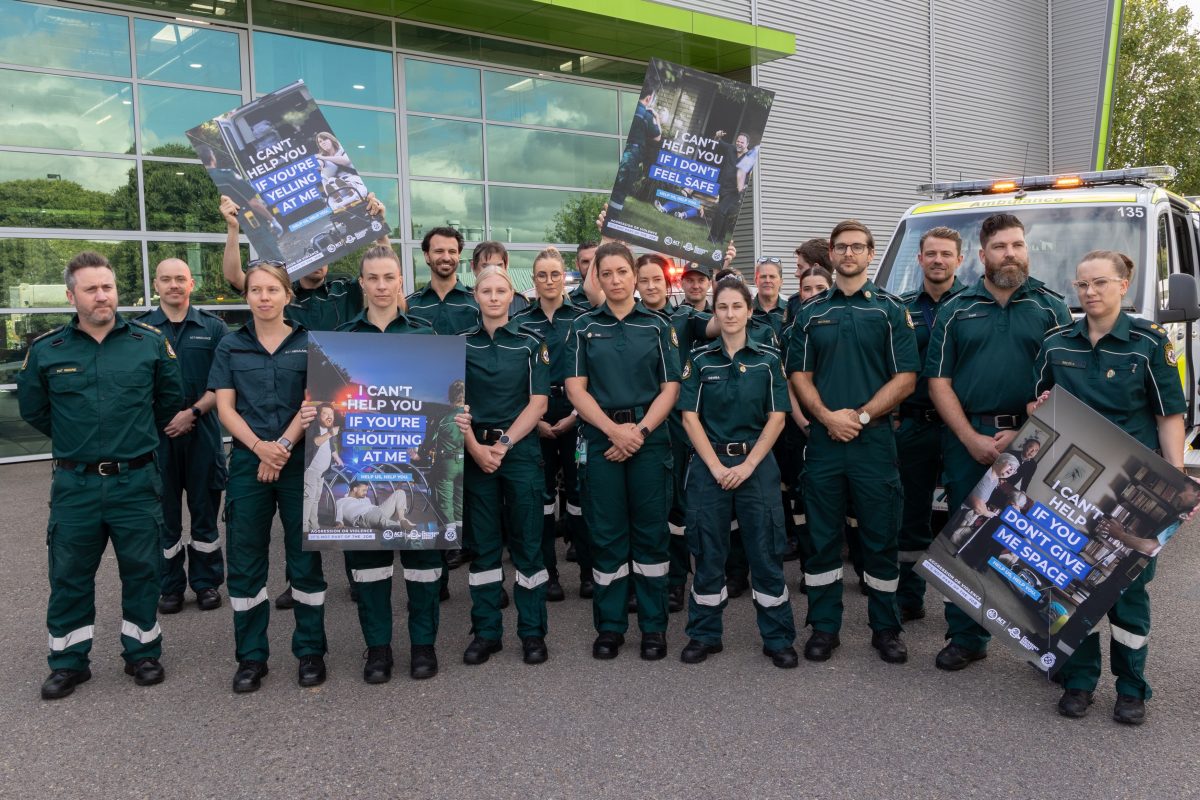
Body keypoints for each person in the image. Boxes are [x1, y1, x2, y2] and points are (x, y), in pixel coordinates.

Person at [18, 251, 184, 700]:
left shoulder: (148, 343)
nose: (102, 296)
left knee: (142, 570)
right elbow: (34, 409)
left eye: (107, 287)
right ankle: (69, 662)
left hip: (136, 481)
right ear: (72, 296)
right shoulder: (48, 350)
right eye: (91, 289)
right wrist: (80, 445)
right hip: (77, 485)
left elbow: (169, 401)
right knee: (69, 574)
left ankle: (142, 652)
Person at [1031, 250, 1187, 725]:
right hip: (1067, 484)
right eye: (1082, 284)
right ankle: (1078, 682)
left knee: (1128, 594)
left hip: (1129, 487)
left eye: (1100, 282)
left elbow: (1169, 417)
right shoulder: (1057, 342)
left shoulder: (1148, 343)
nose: (1090, 292)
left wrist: (1177, 484)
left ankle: (1131, 688)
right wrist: (1036, 407)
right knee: (1067, 583)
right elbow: (1038, 405)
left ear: (1124, 284)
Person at [222, 191, 391, 608]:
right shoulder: (281, 292)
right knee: (303, 508)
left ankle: (355, 573)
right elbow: (237, 278)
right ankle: (294, 581)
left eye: (326, 252)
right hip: (300, 408)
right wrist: (232, 230)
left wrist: (376, 227)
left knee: (348, 482)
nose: (320, 261)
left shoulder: (344, 291)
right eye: (311, 254)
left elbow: (377, 276)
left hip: (344, 401)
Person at [925, 212, 1071, 672]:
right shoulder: (956, 309)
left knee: (1034, 542)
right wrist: (969, 437)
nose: (1011, 253)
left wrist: (1029, 433)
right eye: (1001, 246)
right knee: (965, 537)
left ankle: (1037, 640)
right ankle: (965, 636)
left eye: (1018, 245)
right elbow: (939, 381)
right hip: (970, 438)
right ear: (982, 255)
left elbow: (1066, 382)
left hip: (1036, 441)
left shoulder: (1051, 307)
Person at [787, 220, 919, 664]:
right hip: (825, 441)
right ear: (831, 252)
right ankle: (824, 627)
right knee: (823, 539)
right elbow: (799, 376)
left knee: (880, 537)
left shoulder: (889, 309)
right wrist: (825, 417)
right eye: (841, 247)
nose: (849, 254)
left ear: (870, 253)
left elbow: (906, 378)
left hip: (873, 441)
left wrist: (860, 416)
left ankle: (886, 628)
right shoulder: (810, 312)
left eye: (857, 247)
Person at [208, 261, 323, 693]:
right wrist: (260, 448)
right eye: (255, 290)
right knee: (245, 562)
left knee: (305, 560)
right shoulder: (230, 345)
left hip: (297, 462)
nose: (263, 297)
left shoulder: (308, 343)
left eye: (272, 289)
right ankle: (251, 658)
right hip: (246, 463)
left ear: (287, 295)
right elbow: (225, 409)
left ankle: (310, 651)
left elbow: (313, 404)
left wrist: (283, 448)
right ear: (247, 296)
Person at [566, 241, 681, 660]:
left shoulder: (657, 325)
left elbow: (671, 388)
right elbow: (575, 389)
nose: (614, 280)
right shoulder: (581, 327)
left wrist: (640, 432)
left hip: (649, 441)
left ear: (635, 275)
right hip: (601, 439)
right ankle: (611, 626)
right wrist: (614, 431)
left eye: (621, 272)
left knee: (651, 537)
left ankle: (653, 628)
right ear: (595, 277)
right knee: (608, 536)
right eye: (606, 273)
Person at [335, 245, 444, 683]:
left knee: (422, 563)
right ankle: (377, 650)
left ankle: (423, 648)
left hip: (414, 466)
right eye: (373, 278)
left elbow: (439, 407)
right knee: (369, 566)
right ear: (361, 283)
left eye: (389, 278)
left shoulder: (426, 337)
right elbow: (335, 405)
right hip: (362, 466)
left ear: (401, 281)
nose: (381, 286)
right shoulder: (341, 339)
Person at [678, 277, 798, 668]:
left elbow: (777, 418)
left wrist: (747, 465)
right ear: (715, 313)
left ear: (749, 311)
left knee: (765, 552)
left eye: (736, 307)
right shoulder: (699, 359)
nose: (730, 314)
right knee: (708, 551)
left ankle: (778, 638)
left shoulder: (766, 358)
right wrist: (715, 465)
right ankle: (703, 634)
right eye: (722, 307)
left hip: (756, 466)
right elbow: (690, 418)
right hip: (709, 466)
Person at [457, 266, 551, 665]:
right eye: (486, 290)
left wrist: (504, 444)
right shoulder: (459, 345)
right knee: (484, 548)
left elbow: (539, 403)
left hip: (520, 453)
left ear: (512, 296)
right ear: (475, 296)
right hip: (475, 452)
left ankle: (532, 633)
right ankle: (486, 632)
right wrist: (476, 448)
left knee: (529, 546)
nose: (493, 297)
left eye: (501, 291)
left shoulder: (531, 343)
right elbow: (453, 404)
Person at [138, 258, 230, 615]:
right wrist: (167, 418)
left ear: (192, 283)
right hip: (157, 438)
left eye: (180, 279)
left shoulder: (213, 328)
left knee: (205, 511)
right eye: (166, 279)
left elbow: (222, 383)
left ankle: (207, 584)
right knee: (165, 517)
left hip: (203, 432)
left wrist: (191, 413)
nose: (173, 285)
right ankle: (171, 587)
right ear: (156, 285)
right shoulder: (139, 329)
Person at [894, 226, 966, 621]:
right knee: (911, 515)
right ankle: (908, 598)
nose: (938, 260)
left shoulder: (976, 305)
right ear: (919, 259)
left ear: (960, 259)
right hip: (915, 425)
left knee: (964, 517)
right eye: (931, 254)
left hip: (961, 428)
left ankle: (964, 610)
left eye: (946, 254)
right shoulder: (901, 306)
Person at [512, 248, 589, 602]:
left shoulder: (583, 317)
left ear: (565, 277)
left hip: (578, 414)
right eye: (541, 275)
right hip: (536, 418)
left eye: (554, 274)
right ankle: (549, 574)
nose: (548, 281)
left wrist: (576, 414)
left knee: (580, 496)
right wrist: (536, 421)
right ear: (533, 278)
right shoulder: (522, 322)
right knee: (542, 500)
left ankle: (589, 572)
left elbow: (594, 372)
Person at [609, 87, 662, 212]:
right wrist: (657, 118)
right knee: (620, 189)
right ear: (648, 98)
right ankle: (611, 218)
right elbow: (657, 137)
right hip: (631, 154)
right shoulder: (646, 114)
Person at [707, 132, 753, 245]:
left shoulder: (750, 157)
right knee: (725, 214)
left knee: (720, 211)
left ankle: (712, 238)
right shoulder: (730, 149)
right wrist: (717, 135)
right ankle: (721, 238)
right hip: (724, 186)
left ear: (747, 144)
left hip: (735, 190)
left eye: (742, 142)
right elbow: (718, 141)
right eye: (738, 141)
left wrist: (744, 185)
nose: (739, 144)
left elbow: (749, 174)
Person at [470, 240, 529, 314]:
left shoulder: (519, 302)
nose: (492, 271)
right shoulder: (463, 302)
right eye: (485, 266)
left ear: (506, 266)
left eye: (499, 266)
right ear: (473, 267)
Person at [788, 239, 833, 322]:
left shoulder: (842, 302)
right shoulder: (794, 302)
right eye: (807, 289)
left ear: (816, 268)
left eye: (800, 267)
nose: (796, 273)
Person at [567, 241, 598, 310]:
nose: (591, 267)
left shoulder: (616, 296)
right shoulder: (569, 303)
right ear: (577, 265)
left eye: (595, 261)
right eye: (585, 262)